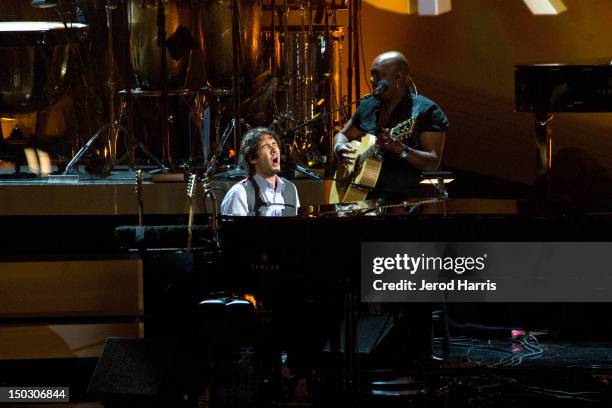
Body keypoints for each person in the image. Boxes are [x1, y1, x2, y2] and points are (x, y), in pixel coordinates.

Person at [334, 51, 449, 199]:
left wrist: (401, 149)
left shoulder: (427, 111)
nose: (370, 79)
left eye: (377, 75)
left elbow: (432, 162)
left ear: (398, 77)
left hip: (411, 200)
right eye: (371, 74)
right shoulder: (368, 106)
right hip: (368, 198)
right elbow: (342, 134)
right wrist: (339, 147)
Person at [221, 127, 300, 216]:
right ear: (252, 158)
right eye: (266, 146)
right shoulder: (239, 194)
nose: (274, 150)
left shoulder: (290, 188)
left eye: (274, 144)